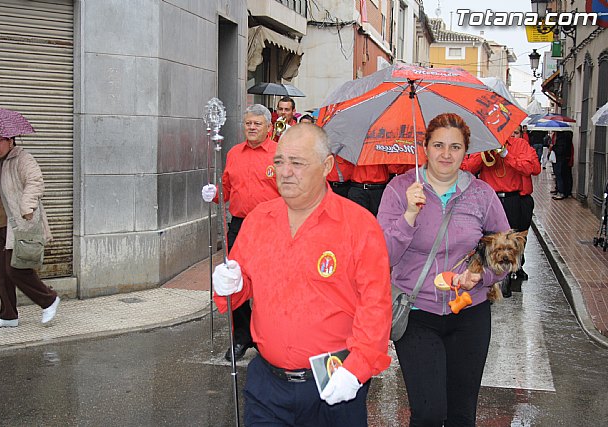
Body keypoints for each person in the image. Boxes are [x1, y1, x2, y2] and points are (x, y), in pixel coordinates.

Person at [212, 123, 392, 426]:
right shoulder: (258, 220)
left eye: (297, 163)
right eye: (279, 161)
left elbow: (375, 305)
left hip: (335, 381)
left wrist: (357, 368)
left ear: (327, 166)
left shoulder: (358, 225)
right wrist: (231, 284)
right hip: (267, 386)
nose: (285, 172)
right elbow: (239, 290)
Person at [378, 113, 510, 426]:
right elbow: (382, 254)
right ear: (425, 147)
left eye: (455, 147)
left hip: (470, 314)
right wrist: (409, 216)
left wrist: (482, 275)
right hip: (417, 313)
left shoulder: (481, 194)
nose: (446, 154)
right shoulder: (399, 190)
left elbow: (505, 252)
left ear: (466, 152)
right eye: (438, 145)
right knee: (429, 413)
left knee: (461, 414)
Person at [201, 104, 280, 362]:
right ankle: (242, 335)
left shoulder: (280, 154)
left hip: (272, 227)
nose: (252, 127)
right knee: (234, 280)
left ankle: (269, 336)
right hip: (240, 225)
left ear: (269, 127)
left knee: (269, 283)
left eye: (257, 123)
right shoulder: (234, 153)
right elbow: (226, 188)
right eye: (248, 123)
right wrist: (214, 193)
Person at [0, 136, 59, 329]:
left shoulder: (23, 159)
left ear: (11, 141)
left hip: (18, 225)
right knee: (0, 272)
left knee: (16, 269)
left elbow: (35, 182)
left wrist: (27, 205)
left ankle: (49, 299)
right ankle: (8, 315)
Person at [461, 126, 541, 295]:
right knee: (488, 240)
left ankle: (509, 276)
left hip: (512, 198)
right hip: (489, 198)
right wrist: (484, 152)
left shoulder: (520, 145)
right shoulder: (483, 145)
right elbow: (467, 168)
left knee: (511, 239)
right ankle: (488, 280)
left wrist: (506, 154)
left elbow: (531, 168)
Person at [552, 130, 573, 200]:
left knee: (559, 175)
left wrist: (553, 147)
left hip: (560, 159)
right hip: (564, 159)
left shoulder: (561, 138)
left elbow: (560, 150)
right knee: (562, 175)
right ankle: (562, 191)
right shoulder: (566, 136)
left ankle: (561, 192)